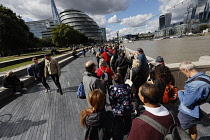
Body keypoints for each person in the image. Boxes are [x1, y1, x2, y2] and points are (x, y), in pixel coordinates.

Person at [178, 61, 210, 140]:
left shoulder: (195, 85)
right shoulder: (206, 77)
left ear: (186, 70)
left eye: (183, 73)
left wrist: (179, 92)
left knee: (178, 130)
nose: (185, 75)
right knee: (192, 127)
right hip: (196, 110)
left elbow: (186, 102)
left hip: (188, 112)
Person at [109, 73, 133, 139]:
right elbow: (131, 95)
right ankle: (127, 131)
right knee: (128, 120)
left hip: (118, 109)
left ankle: (121, 132)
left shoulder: (113, 89)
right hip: (127, 108)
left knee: (118, 122)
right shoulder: (127, 86)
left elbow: (112, 100)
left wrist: (113, 108)